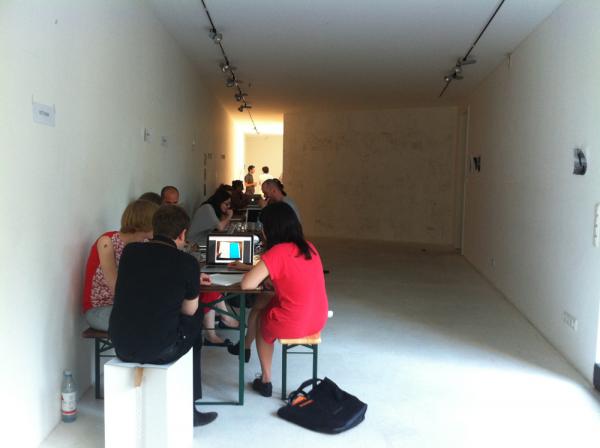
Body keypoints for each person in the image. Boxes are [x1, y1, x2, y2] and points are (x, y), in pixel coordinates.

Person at [108, 205, 218, 426]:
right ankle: (190, 410)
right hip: (161, 350)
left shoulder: (131, 252)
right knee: (196, 320)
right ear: (183, 234)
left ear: (154, 227)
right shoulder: (187, 263)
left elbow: (149, 279)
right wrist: (188, 282)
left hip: (121, 345)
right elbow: (188, 311)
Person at [230, 202, 328, 397]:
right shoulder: (309, 247)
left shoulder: (277, 252)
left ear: (269, 229)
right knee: (265, 301)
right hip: (318, 318)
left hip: (294, 322)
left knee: (261, 319)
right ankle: (245, 346)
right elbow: (294, 276)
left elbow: (247, 285)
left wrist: (251, 271)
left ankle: (265, 380)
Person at [82, 199, 158, 331]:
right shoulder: (107, 242)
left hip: (127, 308)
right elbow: (117, 288)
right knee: (151, 323)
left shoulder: (144, 245)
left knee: (164, 317)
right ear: (145, 223)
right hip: (100, 310)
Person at [187, 188, 238, 344]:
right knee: (212, 281)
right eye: (226, 204)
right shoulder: (208, 208)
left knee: (213, 280)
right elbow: (220, 227)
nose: (227, 207)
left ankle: (223, 317)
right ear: (218, 200)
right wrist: (229, 216)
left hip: (203, 249)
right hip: (196, 250)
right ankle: (222, 319)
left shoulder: (211, 209)